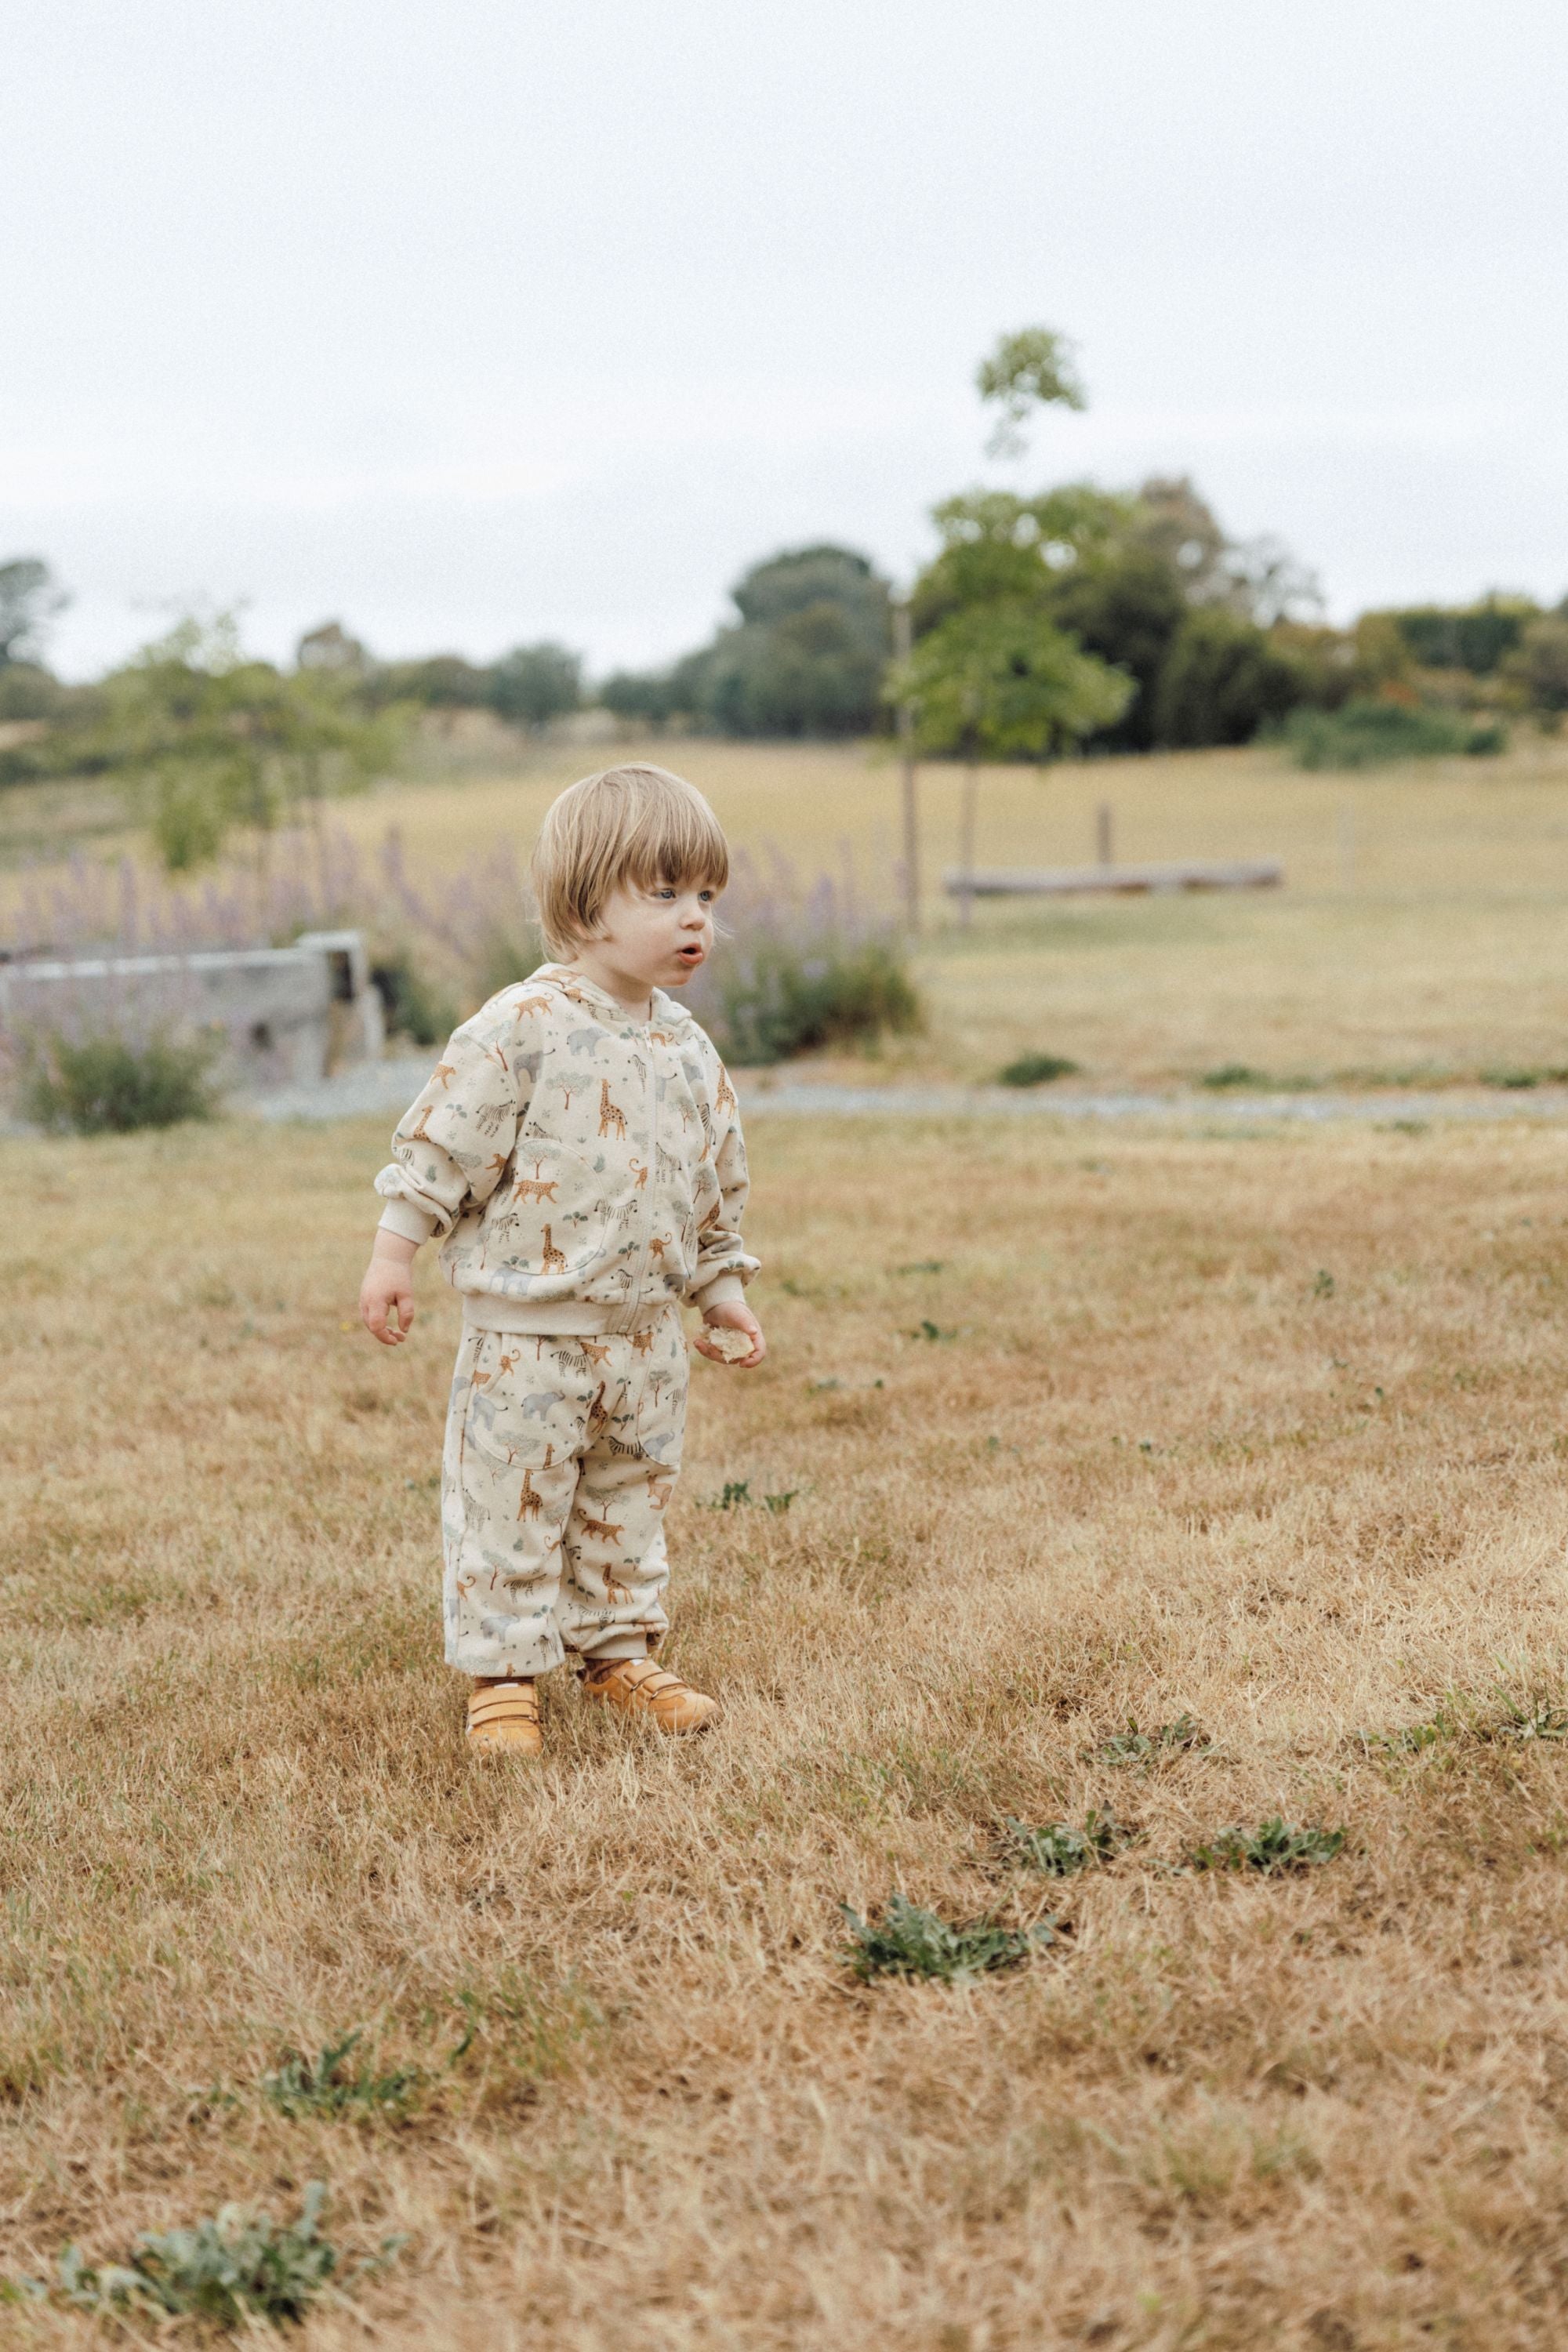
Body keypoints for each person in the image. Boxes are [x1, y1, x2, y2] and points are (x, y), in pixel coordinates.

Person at [358, 764, 764, 1755]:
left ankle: (617, 1652)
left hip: (644, 1340)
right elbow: (440, 1152)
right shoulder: (519, 1029)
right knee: (513, 1505)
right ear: (586, 907)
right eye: (663, 894)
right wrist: (393, 1258)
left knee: (627, 1500)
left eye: (705, 896)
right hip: (528, 1342)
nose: (693, 920)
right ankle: (502, 1676)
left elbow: (707, 1187)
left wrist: (721, 1292)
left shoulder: (686, 1050)